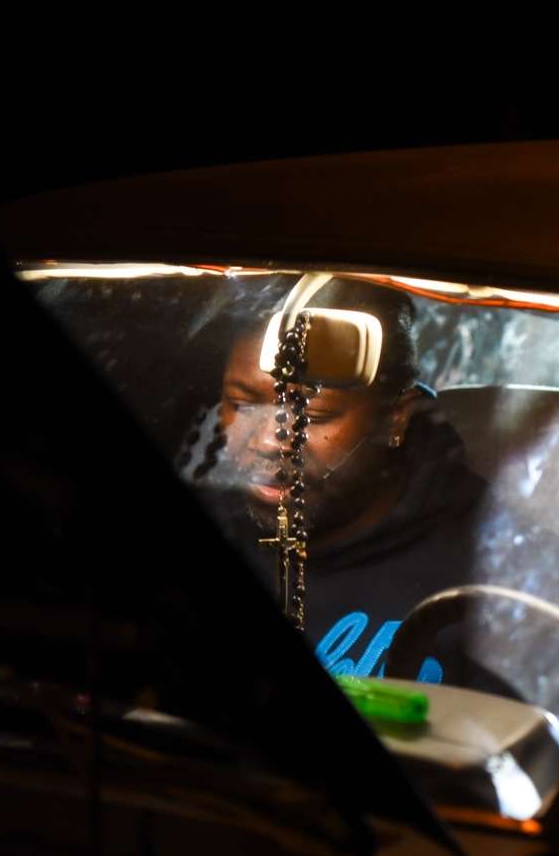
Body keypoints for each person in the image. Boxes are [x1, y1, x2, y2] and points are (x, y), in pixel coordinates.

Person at [192, 276, 487, 678]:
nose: (266, 440)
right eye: (241, 404)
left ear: (395, 417)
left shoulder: (491, 570)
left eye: (312, 416)